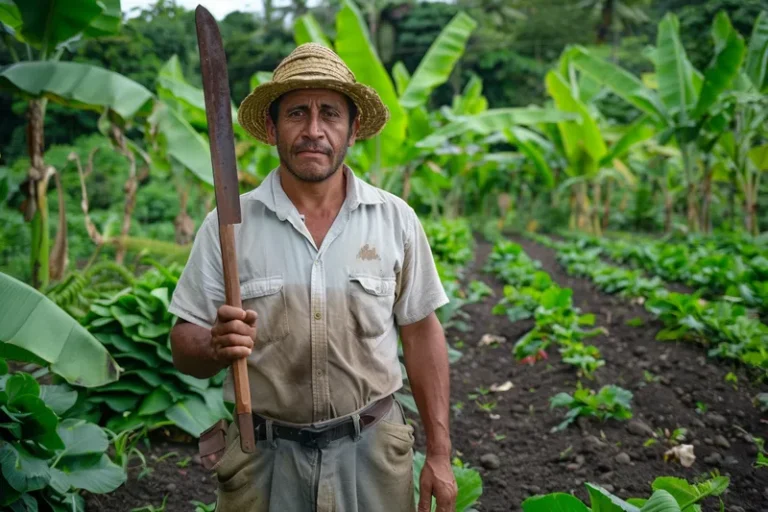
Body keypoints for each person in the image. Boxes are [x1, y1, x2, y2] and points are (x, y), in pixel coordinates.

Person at [168, 43, 456, 512]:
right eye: (298, 113)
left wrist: (440, 455)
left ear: (354, 129)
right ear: (272, 126)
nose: (314, 131)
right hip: (263, 457)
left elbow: (422, 333)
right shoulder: (229, 225)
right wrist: (215, 345)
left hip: (374, 453)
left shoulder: (395, 221)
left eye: (331, 114)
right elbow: (183, 343)